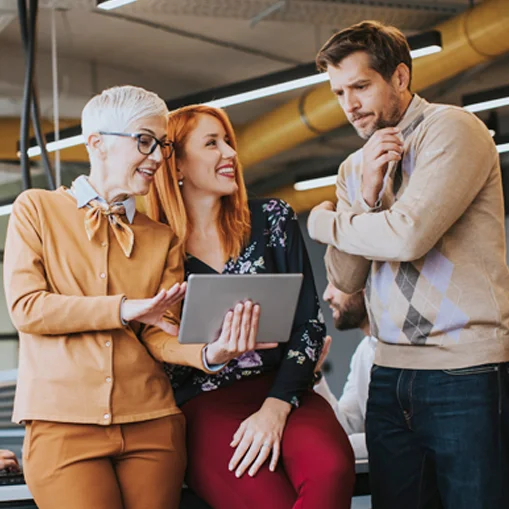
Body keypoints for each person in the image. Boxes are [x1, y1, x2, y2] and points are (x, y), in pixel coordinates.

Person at [3, 86, 261, 509]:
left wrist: (211, 352)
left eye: (162, 145)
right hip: (62, 425)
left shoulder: (162, 239)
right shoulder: (37, 210)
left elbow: (158, 335)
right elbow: (29, 309)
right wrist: (123, 309)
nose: (158, 157)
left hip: (153, 425)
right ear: (97, 143)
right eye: (144, 141)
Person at [307, 20, 509, 509]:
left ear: (399, 78)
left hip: (466, 369)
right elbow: (346, 277)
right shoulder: (355, 167)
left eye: (360, 86)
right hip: (389, 371)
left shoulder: (453, 129)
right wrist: (367, 194)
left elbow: (409, 236)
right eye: (338, 92)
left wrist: (326, 223)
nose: (349, 105)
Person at [145, 104, 355, 509]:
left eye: (229, 142)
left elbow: (309, 325)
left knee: (331, 470)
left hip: (286, 390)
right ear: (177, 166)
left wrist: (276, 407)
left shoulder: (272, 219)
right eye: (212, 143)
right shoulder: (152, 246)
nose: (230, 154)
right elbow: (151, 343)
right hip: (203, 406)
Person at [315, 283, 376, 438]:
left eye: (336, 283)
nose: (326, 295)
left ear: (365, 286)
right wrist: (315, 376)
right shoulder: (363, 351)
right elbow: (346, 427)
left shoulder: (408, 348)